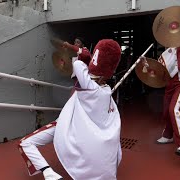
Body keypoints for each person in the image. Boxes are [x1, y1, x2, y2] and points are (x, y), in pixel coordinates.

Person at [18, 39, 122, 179]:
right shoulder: (106, 91)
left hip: (65, 125)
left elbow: (78, 64)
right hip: (78, 129)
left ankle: (48, 173)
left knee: (24, 143)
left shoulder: (88, 88)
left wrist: (91, 60)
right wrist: (96, 62)